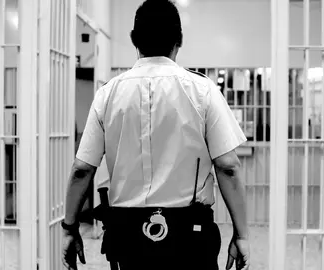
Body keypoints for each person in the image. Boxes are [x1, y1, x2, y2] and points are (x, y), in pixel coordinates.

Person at [61, 0, 250, 269]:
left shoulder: (108, 94)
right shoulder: (203, 90)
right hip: (190, 235)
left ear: (134, 40)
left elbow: (82, 169)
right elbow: (228, 166)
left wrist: (69, 228)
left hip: (126, 237)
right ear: (179, 40)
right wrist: (241, 234)